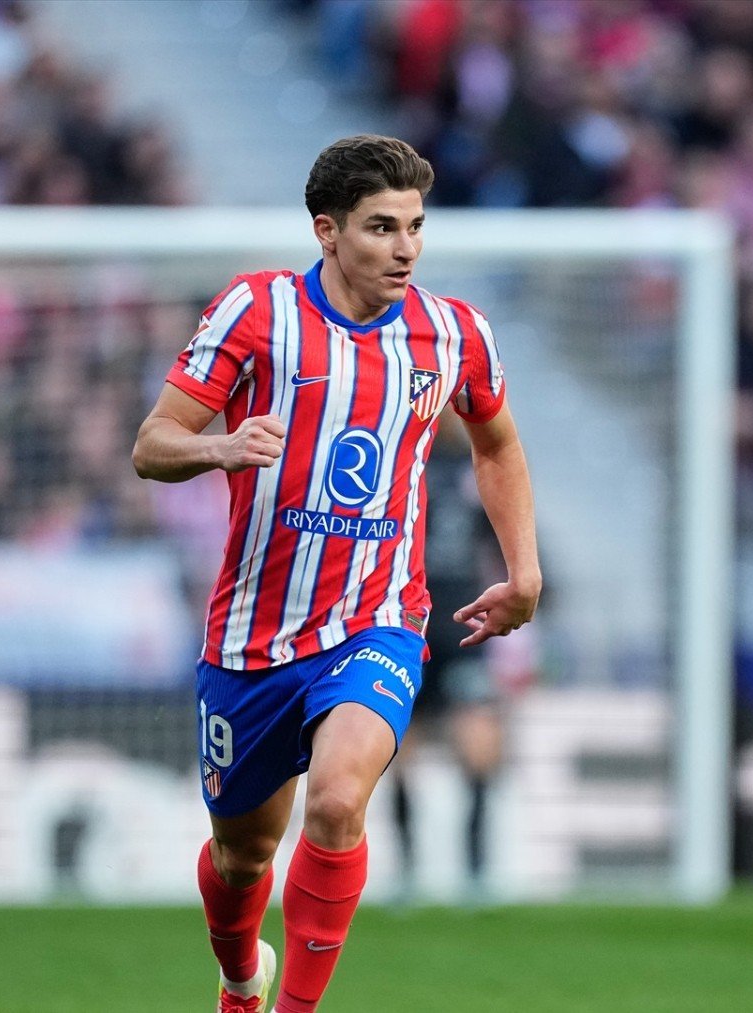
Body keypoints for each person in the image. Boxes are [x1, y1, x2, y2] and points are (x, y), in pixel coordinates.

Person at [131, 134, 540, 1013]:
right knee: (244, 855)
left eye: (416, 227)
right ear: (327, 231)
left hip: (378, 619)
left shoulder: (452, 332)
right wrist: (219, 446)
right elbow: (150, 445)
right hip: (252, 636)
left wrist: (525, 568)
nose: (405, 248)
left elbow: (498, 442)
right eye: (381, 227)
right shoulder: (257, 312)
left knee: (338, 800)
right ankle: (242, 981)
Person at [390, 418, 509, 905]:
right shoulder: (405, 462)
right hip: (411, 627)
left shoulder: (478, 465)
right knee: (397, 752)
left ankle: (476, 872)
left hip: (461, 626)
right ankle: (409, 871)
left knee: (477, 748)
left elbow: (505, 535)